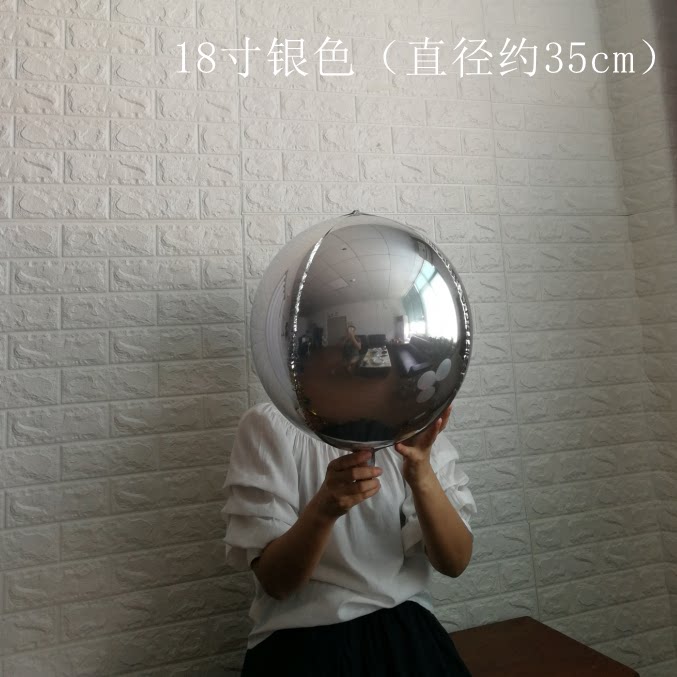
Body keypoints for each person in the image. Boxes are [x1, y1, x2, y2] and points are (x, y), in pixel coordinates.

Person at [222, 402, 477, 677]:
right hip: (298, 636)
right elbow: (277, 583)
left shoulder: (414, 424)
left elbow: (455, 562)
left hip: (404, 627)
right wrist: (324, 510)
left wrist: (420, 470)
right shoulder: (272, 424)